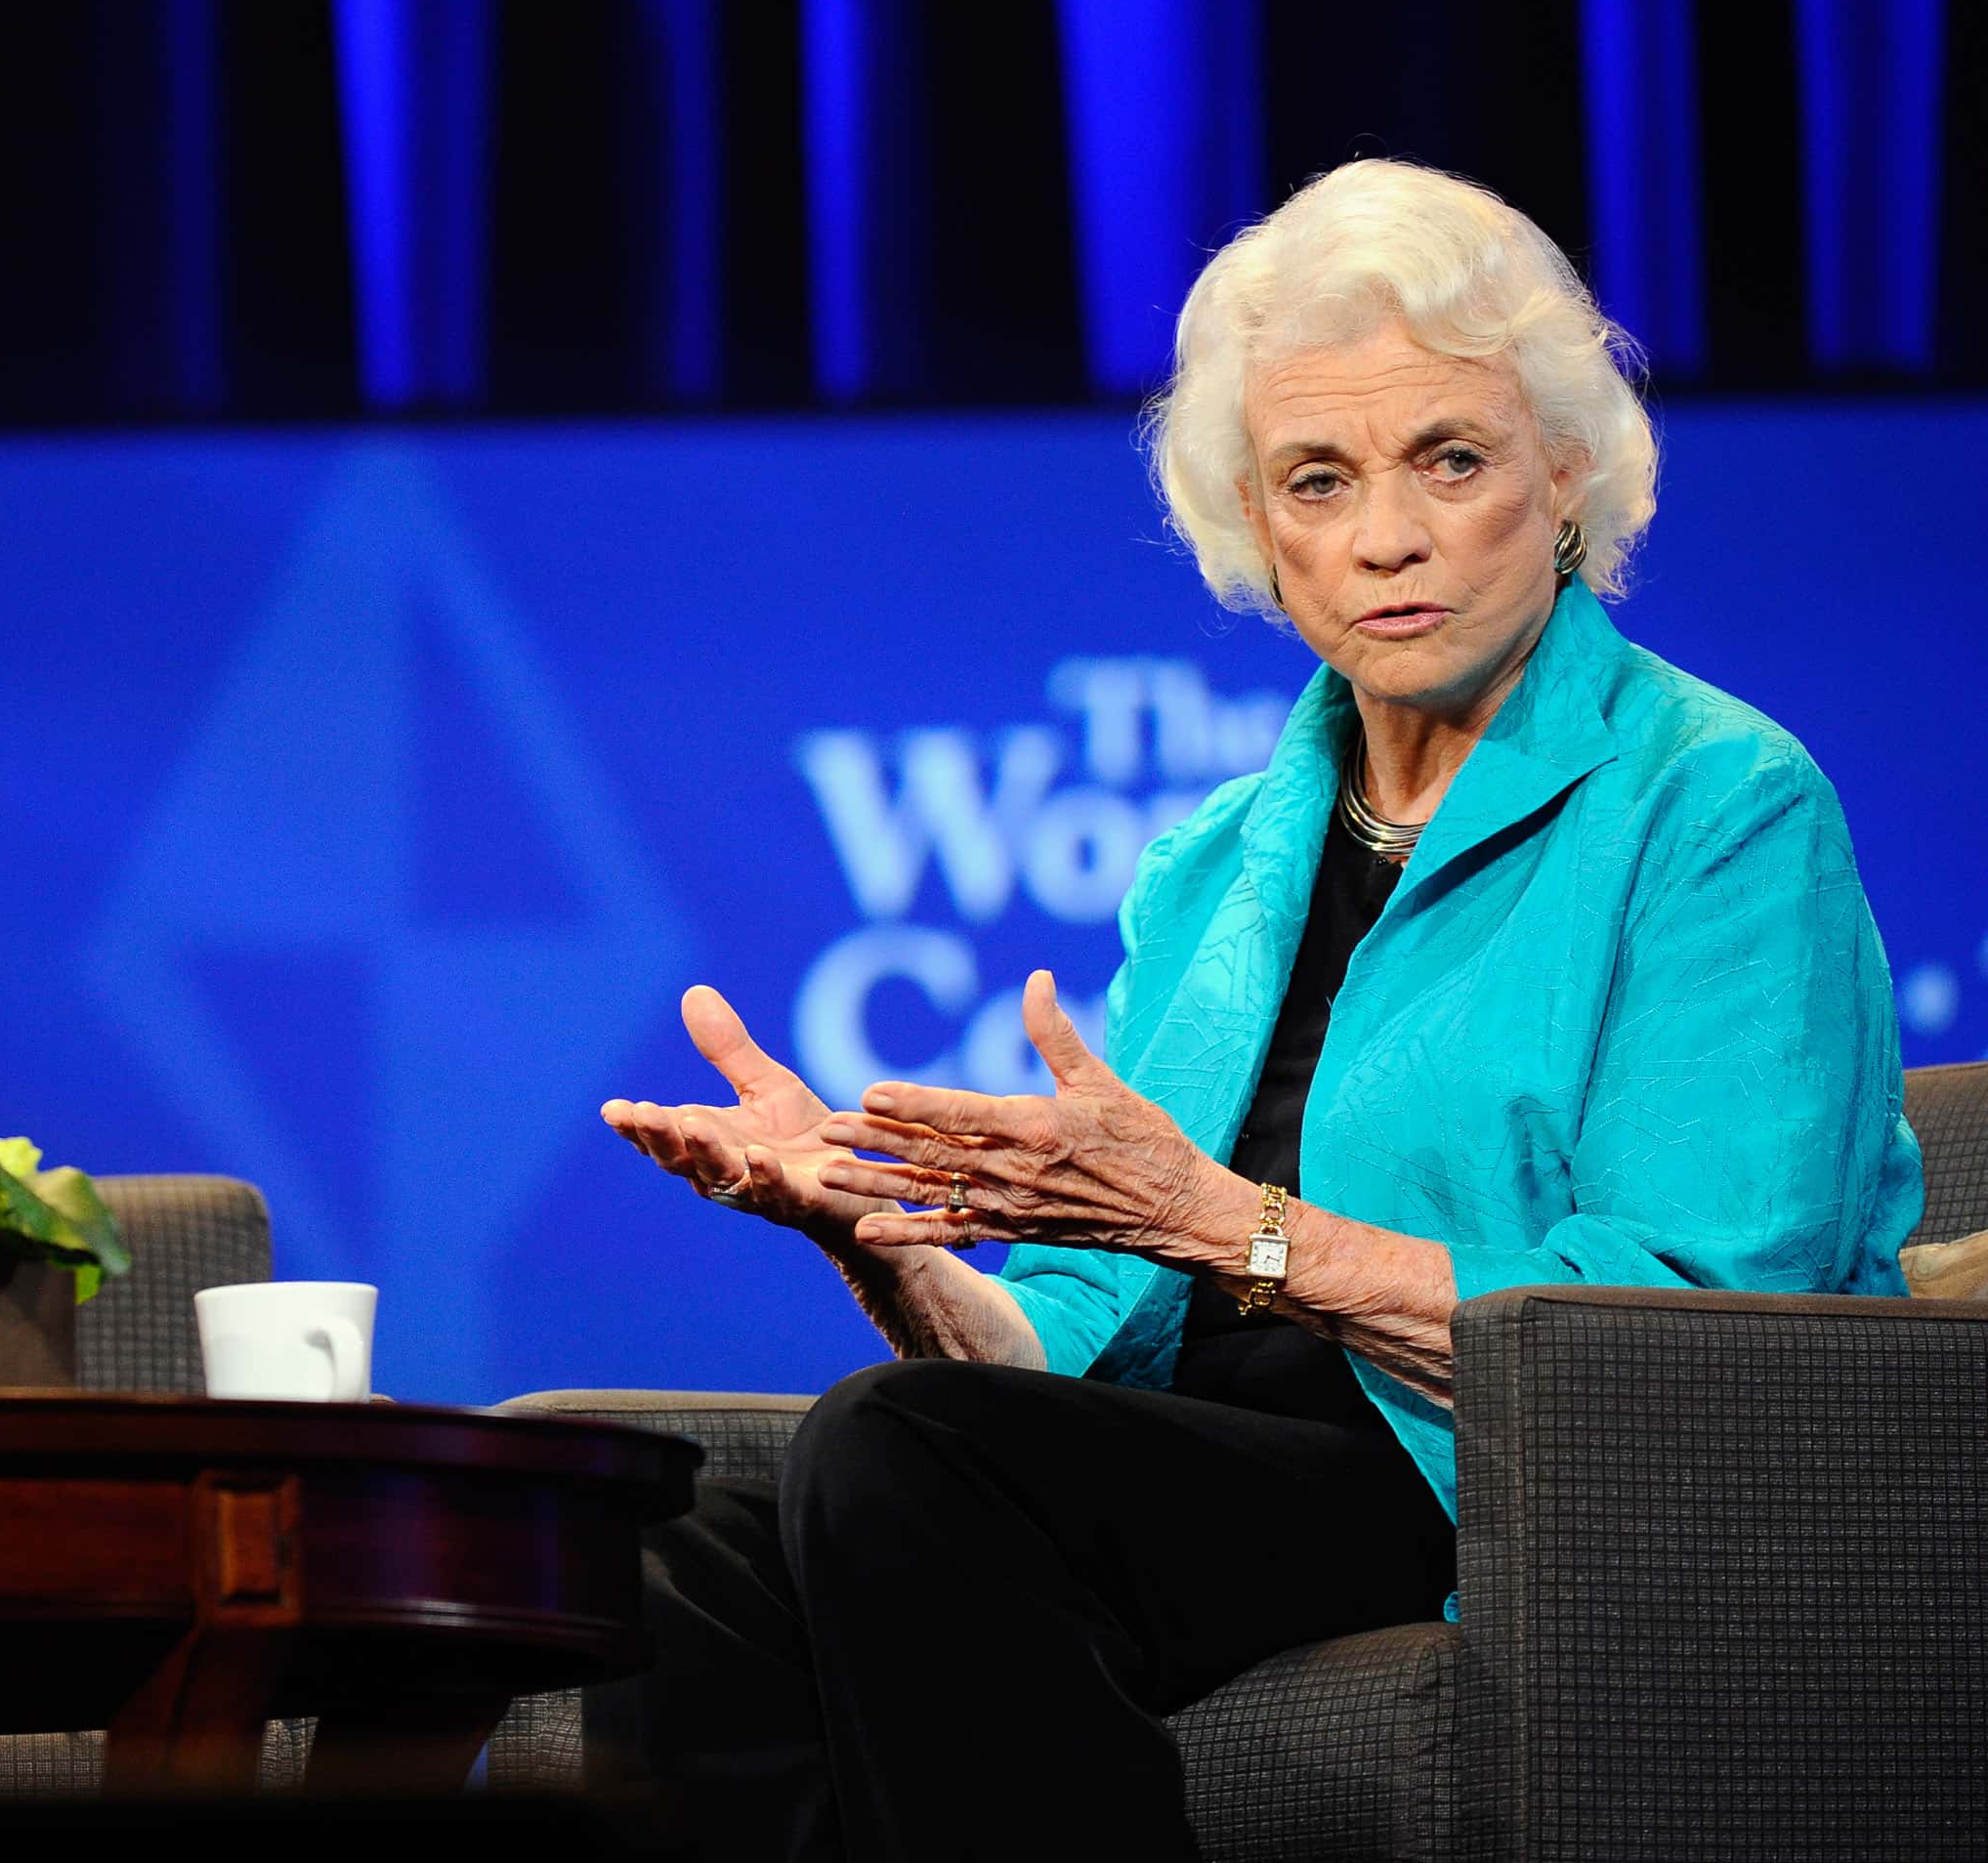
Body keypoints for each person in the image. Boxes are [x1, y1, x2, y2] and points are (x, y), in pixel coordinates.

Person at [597, 161, 1923, 1860]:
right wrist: (883, 1242)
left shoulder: (1717, 801)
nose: (1387, 534)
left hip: (1510, 1480)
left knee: (903, 1458)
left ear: (1570, 471)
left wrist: (1234, 1227)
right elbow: (1063, 1350)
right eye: (1320, 477)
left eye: (1451, 457)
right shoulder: (1216, 864)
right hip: (1234, 1457)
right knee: (677, 1539)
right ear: (1257, 527)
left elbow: (1698, 1325)